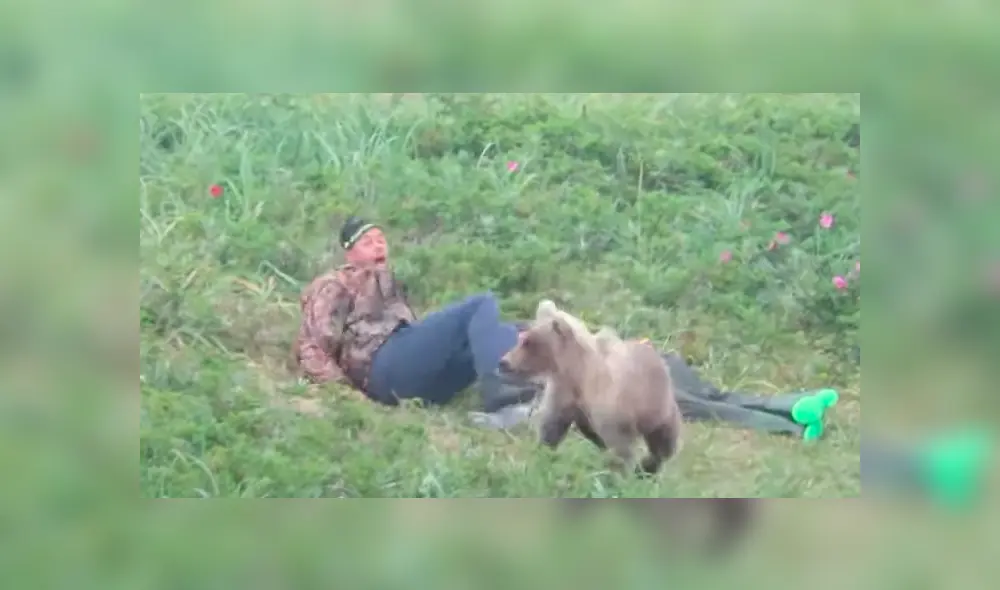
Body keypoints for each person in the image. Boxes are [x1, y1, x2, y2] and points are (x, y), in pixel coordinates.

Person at [293, 216, 533, 413]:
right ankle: (499, 388)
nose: (378, 246)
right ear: (350, 255)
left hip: (420, 383)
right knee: (482, 303)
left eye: (380, 240)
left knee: (510, 332)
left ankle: (537, 394)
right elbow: (311, 347)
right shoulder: (334, 283)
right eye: (367, 242)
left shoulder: (389, 284)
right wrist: (348, 395)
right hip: (381, 366)